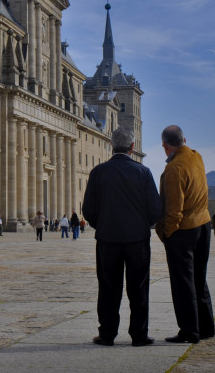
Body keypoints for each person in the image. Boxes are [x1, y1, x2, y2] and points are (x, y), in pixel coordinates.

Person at [83, 127, 161, 347]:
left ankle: (107, 334)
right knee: (139, 288)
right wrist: (140, 225)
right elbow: (155, 208)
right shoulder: (143, 172)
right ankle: (139, 335)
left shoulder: (98, 172)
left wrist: (103, 225)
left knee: (108, 288)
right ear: (132, 147)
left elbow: (88, 209)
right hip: (137, 240)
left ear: (111, 145)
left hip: (107, 240)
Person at [155, 125, 215, 344]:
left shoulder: (174, 168)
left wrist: (166, 234)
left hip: (184, 231)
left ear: (165, 145)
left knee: (183, 283)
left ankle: (189, 330)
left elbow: (174, 210)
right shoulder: (196, 156)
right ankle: (206, 327)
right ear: (184, 140)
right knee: (200, 278)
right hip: (204, 224)